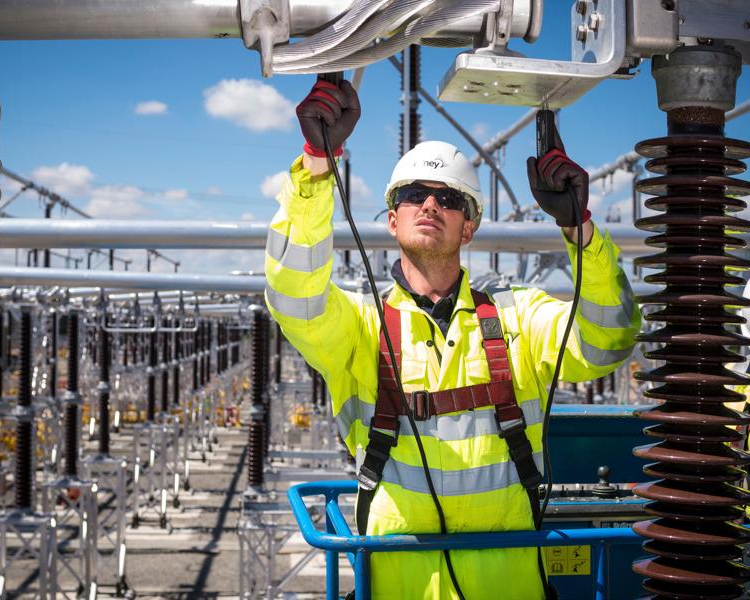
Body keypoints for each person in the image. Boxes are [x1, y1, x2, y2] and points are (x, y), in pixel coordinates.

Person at [265, 79, 640, 599]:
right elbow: (293, 296)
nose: (430, 205)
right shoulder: (360, 325)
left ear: (467, 229)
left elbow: (608, 340)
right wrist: (315, 164)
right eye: (413, 195)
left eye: (448, 199)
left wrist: (581, 232)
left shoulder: (519, 319)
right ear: (393, 220)